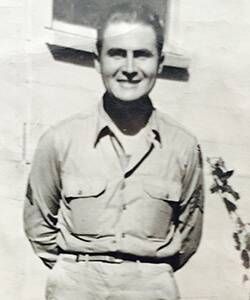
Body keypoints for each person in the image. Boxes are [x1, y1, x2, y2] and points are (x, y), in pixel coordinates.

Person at [23, 2, 204, 299]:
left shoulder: (183, 147)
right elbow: (38, 224)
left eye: (142, 55)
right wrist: (76, 272)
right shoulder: (59, 140)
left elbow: (189, 236)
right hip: (77, 287)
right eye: (117, 54)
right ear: (98, 61)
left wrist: (146, 272)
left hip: (151, 289)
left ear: (159, 62)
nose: (130, 69)